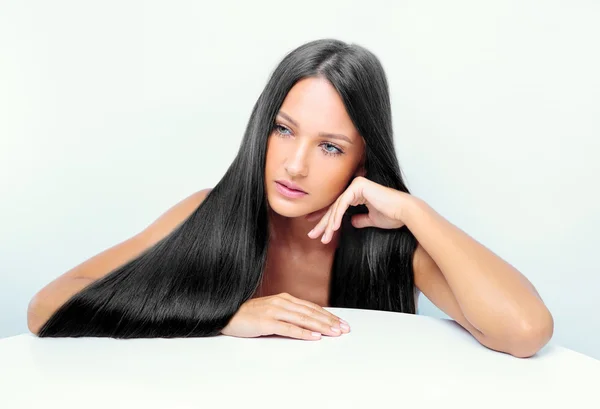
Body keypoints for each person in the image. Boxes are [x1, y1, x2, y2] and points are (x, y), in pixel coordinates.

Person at [27, 38, 553, 358]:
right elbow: (46, 307)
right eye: (283, 130)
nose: (295, 164)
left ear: (361, 162)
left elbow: (525, 331)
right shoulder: (205, 214)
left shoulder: (386, 246)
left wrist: (415, 211)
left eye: (329, 146)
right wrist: (222, 316)